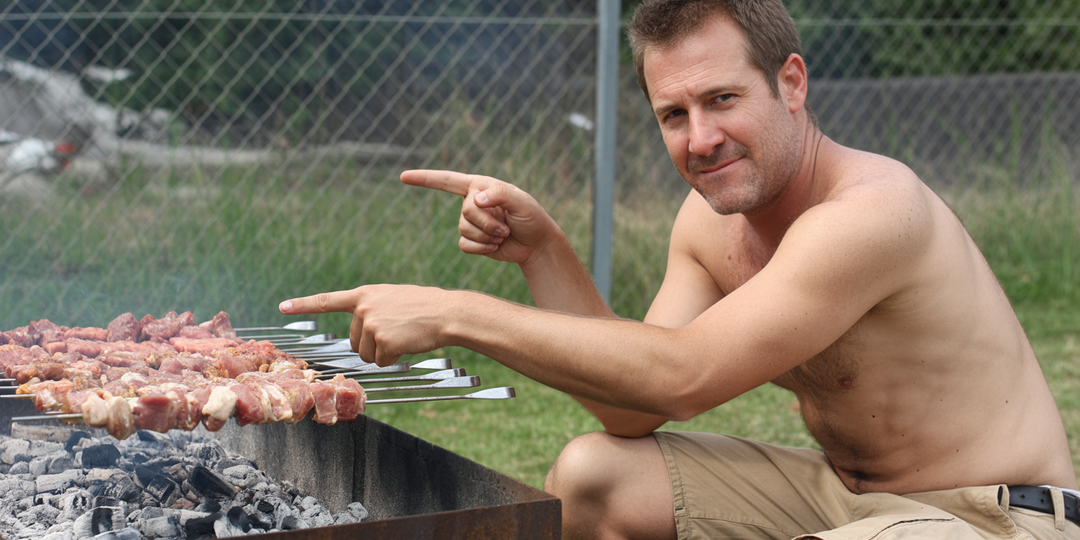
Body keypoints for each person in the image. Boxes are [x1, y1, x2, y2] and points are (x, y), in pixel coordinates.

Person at [278, 0, 1078, 538]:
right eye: (674, 113)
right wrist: (544, 252)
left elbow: (683, 377)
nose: (699, 139)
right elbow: (630, 408)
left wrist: (459, 313)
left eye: (723, 99)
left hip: (999, 520)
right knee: (595, 474)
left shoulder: (873, 213)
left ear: (790, 84)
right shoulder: (709, 223)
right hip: (852, 502)